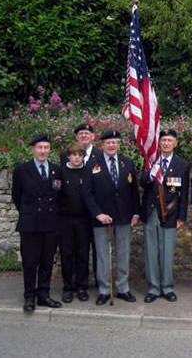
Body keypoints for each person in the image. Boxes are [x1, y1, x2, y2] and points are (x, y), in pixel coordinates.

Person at [82, 130, 141, 305]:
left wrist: (136, 213)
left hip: (124, 217)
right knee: (102, 255)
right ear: (102, 145)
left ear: (118, 144)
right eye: (108, 143)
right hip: (102, 219)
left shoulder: (127, 163)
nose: (111, 145)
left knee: (123, 254)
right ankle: (104, 290)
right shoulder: (92, 165)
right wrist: (98, 213)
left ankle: (123, 288)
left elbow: (134, 192)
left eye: (114, 142)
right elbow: (87, 194)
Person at [12, 134, 62, 312]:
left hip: (50, 223)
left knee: (47, 261)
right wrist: (29, 213)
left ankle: (43, 295)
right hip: (30, 223)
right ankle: (29, 296)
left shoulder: (56, 170)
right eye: (39, 147)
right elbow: (17, 196)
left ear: (50, 150)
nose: (43, 151)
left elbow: (58, 196)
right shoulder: (22, 170)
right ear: (33, 149)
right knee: (30, 262)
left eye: (46, 148)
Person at [141, 129, 190, 303]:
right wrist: (151, 171)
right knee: (151, 252)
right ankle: (153, 288)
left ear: (175, 143)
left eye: (170, 140)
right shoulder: (151, 160)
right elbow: (143, 183)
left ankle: (167, 287)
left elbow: (184, 193)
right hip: (151, 212)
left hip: (171, 213)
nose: (166, 143)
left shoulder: (182, 165)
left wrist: (182, 217)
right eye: (164, 140)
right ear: (159, 143)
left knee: (167, 252)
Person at [57, 142, 92, 303]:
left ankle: (82, 287)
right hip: (65, 220)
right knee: (67, 254)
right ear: (69, 156)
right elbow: (55, 195)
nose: (77, 158)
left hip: (84, 220)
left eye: (80, 155)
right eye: (74, 155)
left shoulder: (89, 172)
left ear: (83, 157)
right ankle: (68, 288)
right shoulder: (61, 172)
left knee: (83, 255)